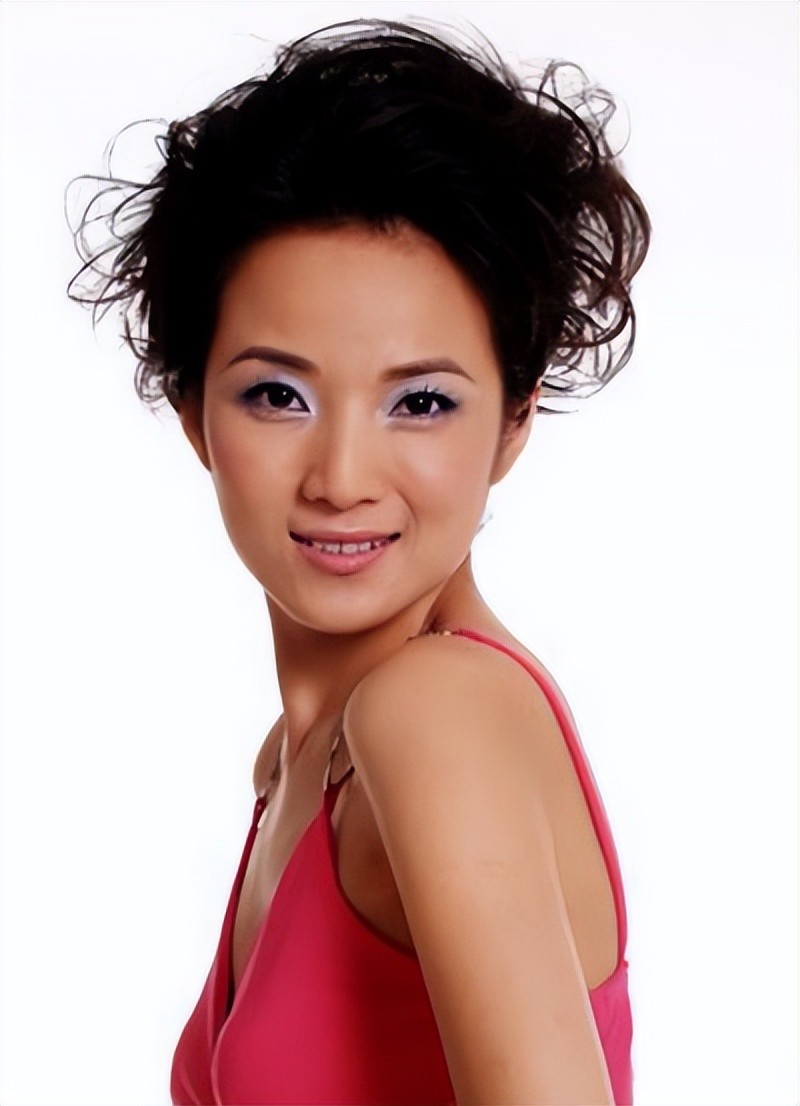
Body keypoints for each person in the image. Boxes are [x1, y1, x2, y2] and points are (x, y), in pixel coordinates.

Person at [68, 18, 650, 1105]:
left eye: (419, 401)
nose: (341, 476)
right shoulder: (296, 760)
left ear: (514, 421)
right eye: (276, 394)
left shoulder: (434, 714)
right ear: (195, 415)